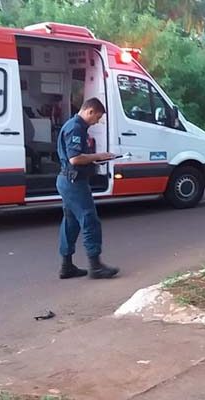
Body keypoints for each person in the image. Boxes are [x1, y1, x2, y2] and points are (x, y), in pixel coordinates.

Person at [56, 98, 119, 280]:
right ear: (89, 111)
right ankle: (95, 266)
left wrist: (96, 158)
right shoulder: (75, 127)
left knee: (71, 223)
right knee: (89, 219)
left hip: (68, 180)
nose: (97, 121)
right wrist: (98, 156)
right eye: (97, 117)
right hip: (74, 182)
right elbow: (75, 159)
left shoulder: (76, 126)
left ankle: (66, 266)